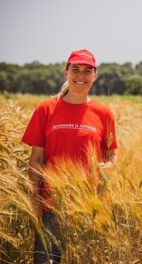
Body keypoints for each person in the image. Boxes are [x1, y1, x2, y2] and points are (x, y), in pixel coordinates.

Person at [21, 49, 118, 263]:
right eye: (75, 70)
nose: (81, 76)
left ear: (95, 75)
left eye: (87, 71)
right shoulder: (46, 109)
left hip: (88, 207)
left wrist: (106, 168)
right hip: (50, 207)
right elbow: (36, 159)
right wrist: (34, 200)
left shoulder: (104, 114)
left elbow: (111, 157)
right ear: (66, 72)